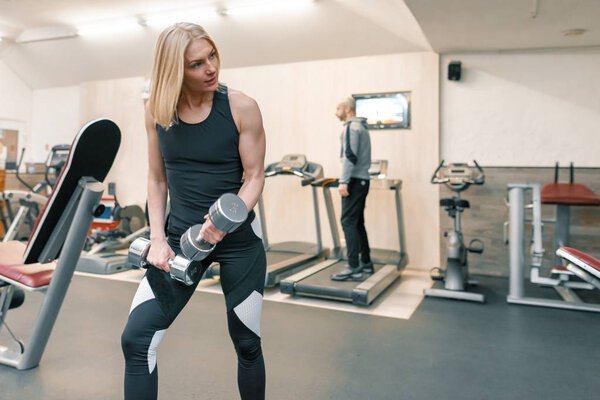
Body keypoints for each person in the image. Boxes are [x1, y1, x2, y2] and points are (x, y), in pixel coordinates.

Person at [121, 22, 267, 400]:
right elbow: (156, 179)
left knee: (247, 343)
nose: (210, 68)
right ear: (174, 70)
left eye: (212, 56)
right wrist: (156, 238)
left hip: (237, 242)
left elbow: (253, 177)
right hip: (180, 239)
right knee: (136, 340)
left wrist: (223, 225)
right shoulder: (156, 111)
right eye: (196, 63)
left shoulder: (241, 106)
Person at [331, 97, 373, 281]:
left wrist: (343, 181)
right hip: (362, 180)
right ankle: (366, 262)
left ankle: (353, 266)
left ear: (347, 109)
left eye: (338, 107)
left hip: (354, 181)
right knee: (357, 223)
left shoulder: (351, 127)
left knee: (347, 222)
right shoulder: (361, 127)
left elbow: (349, 156)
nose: (336, 112)